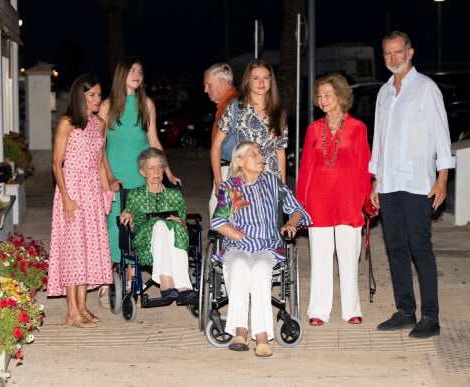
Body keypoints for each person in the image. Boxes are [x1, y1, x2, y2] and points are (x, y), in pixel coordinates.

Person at [369, 31, 456, 339]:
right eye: (387, 54)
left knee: (420, 249)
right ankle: (406, 311)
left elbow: (442, 137)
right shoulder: (383, 93)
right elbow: (378, 140)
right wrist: (375, 182)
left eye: (398, 52)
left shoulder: (426, 89)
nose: (393, 58)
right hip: (389, 182)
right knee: (394, 248)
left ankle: (430, 316)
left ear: (410, 52)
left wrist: (442, 179)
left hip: (419, 183)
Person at [211, 141, 311, 357]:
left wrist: (291, 223)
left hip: (267, 245)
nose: (260, 157)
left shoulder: (273, 183)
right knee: (237, 265)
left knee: (260, 270)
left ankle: (262, 335)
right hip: (237, 244)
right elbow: (218, 221)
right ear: (239, 161)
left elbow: (297, 209)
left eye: (260, 153)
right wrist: (241, 236)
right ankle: (240, 331)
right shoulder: (230, 187)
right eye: (253, 154)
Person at [97, 57, 181, 307]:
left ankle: (133, 275)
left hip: (143, 173)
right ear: (121, 74)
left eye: (140, 71)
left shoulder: (147, 104)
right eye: (132, 71)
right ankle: (106, 280)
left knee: (140, 222)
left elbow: (154, 141)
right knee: (113, 226)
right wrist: (108, 177)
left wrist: (168, 173)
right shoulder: (107, 105)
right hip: (114, 175)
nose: (137, 74)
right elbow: (99, 147)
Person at [296, 73, 372, 326]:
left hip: (348, 201)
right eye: (319, 96)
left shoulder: (358, 128)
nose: (323, 100)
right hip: (318, 201)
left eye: (328, 94)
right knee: (320, 257)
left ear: (340, 96)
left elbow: (365, 167)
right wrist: (300, 205)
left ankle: (351, 309)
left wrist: (367, 200)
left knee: (349, 257)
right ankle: (318, 309)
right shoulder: (313, 130)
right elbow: (305, 169)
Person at [47, 74, 113, 328]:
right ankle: (71, 311)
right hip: (72, 189)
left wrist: (105, 190)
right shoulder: (67, 122)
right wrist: (65, 197)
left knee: (88, 249)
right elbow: (56, 163)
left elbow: (98, 161)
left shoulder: (100, 123)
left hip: (92, 191)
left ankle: (83, 307)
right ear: (80, 96)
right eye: (92, 95)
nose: (97, 99)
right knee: (73, 251)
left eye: (98, 94)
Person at [118, 147, 197, 306]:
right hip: (146, 241)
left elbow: (183, 221)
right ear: (143, 172)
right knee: (160, 224)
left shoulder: (174, 195)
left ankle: (183, 286)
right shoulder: (136, 194)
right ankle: (166, 280)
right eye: (151, 168)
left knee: (174, 227)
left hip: (174, 238)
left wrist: (180, 222)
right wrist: (129, 215)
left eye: (160, 167)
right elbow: (130, 215)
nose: (156, 171)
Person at [210, 59, 288, 202]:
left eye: (265, 78)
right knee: (240, 224)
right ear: (248, 81)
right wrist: (218, 180)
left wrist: (282, 186)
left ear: (271, 81)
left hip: (270, 184)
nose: (261, 83)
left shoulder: (278, 112)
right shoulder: (236, 108)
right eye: (256, 78)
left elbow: (280, 151)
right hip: (241, 184)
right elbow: (216, 146)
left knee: (273, 225)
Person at [203, 63, 240, 219]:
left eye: (208, 85)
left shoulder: (233, 105)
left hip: (231, 170)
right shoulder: (228, 104)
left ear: (223, 84)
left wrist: (219, 180)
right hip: (228, 169)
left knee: (221, 219)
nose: (205, 90)